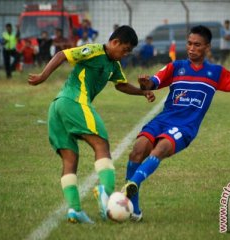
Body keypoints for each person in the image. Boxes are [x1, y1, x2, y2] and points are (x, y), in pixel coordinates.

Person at [121, 25, 230, 222]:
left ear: (207, 47)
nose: (191, 48)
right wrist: (144, 83)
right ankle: (135, 210)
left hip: (185, 127)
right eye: (189, 44)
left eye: (197, 45)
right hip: (163, 119)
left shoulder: (216, 72)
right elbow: (151, 83)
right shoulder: (175, 67)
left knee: (161, 148)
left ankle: (130, 185)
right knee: (138, 150)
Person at [27, 25, 155, 224]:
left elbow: (121, 84)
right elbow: (62, 54)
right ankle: (105, 192)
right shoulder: (94, 51)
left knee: (70, 159)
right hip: (74, 102)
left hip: (58, 107)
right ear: (114, 42)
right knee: (101, 144)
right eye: (125, 49)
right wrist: (43, 76)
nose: (126, 54)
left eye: (129, 51)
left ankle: (75, 210)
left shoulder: (113, 65)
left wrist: (143, 92)